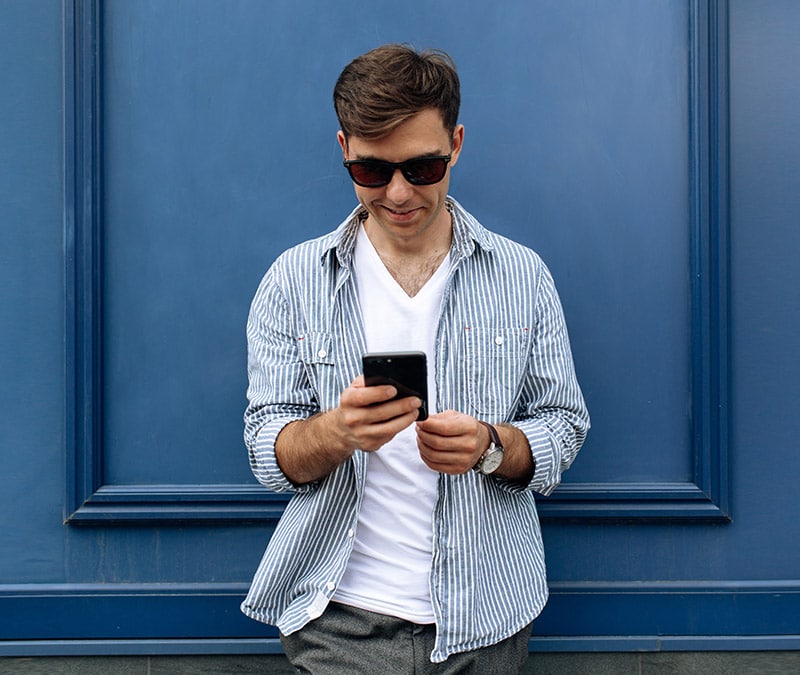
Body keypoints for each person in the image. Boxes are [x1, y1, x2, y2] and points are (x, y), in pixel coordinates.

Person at [242, 44, 589, 673]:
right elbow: (270, 452)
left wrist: (491, 445)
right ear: (344, 148)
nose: (399, 193)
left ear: (456, 144)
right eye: (373, 171)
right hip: (337, 617)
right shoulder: (294, 281)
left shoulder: (522, 276)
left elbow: (563, 425)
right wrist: (335, 432)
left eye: (423, 167)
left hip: (487, 613)